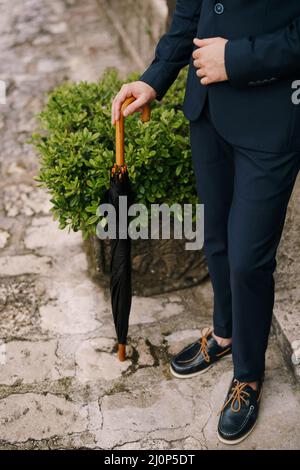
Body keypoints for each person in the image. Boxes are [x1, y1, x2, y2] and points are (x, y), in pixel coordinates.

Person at [111, 0, 300, 444]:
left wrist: (234, 59)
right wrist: (154, 78)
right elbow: (191, 12)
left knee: (249, 258)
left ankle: (249, 376)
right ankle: (224, 333)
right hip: (209, 113)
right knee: (215, 238)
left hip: (271, 119)